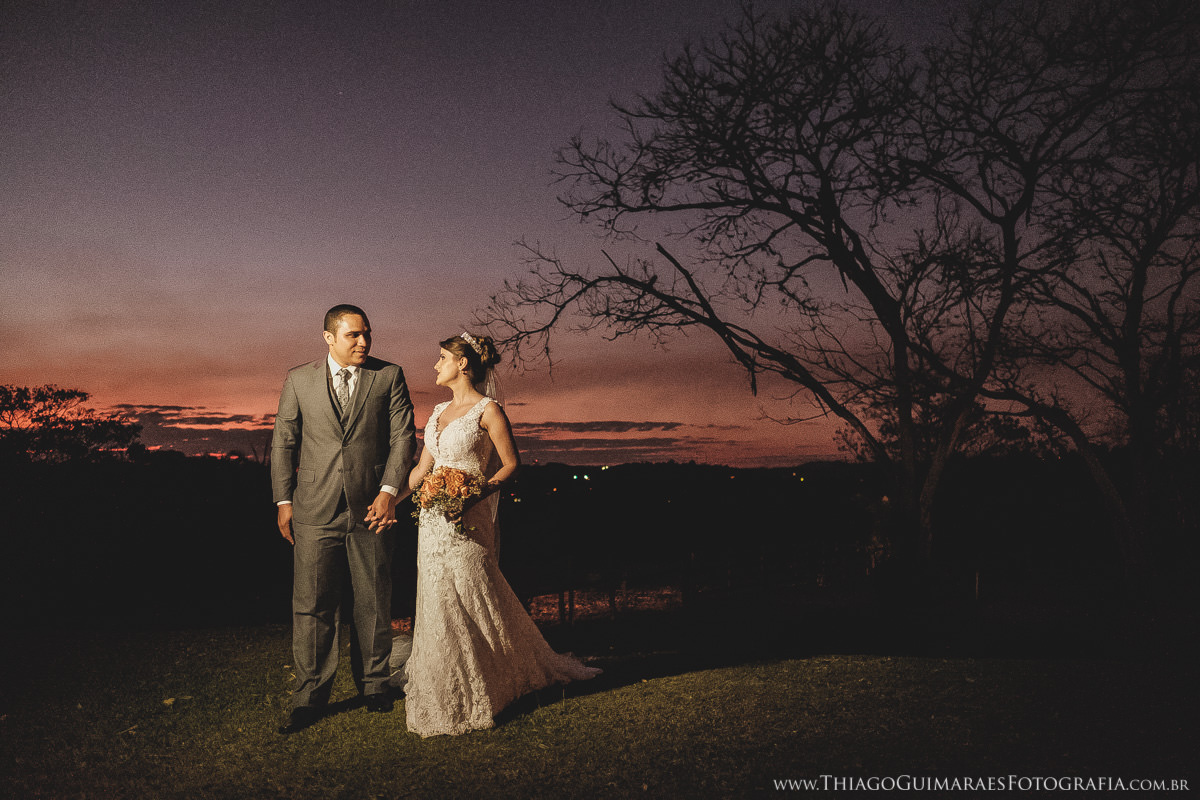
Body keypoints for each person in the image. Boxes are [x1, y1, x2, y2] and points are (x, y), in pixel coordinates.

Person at [401, 332, 600, 737]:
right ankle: (444, 685)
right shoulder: (437, 411)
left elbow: (510, 465)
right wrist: (398, 497)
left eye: (442, 358)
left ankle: (489, 683)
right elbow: (423, 468)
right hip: (433, 523)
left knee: (474, 592)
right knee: (437, 598)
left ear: (463, 364)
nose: (436, 365)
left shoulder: (488, 410)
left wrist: (475, 492)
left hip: (469, 518)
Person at [271, 304, 416, 734]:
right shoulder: (299, 379)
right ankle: (309, 697)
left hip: (372, 507)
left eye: (367, 334)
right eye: (354, 335)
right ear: (329, 337)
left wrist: (390, 493)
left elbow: (403, 436)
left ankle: (374, 687)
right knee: (312, 604)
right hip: (313, 508)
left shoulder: (388, 376)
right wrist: (283, 500)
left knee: (373, 599)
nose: (364, 342)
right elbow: (283, 442)